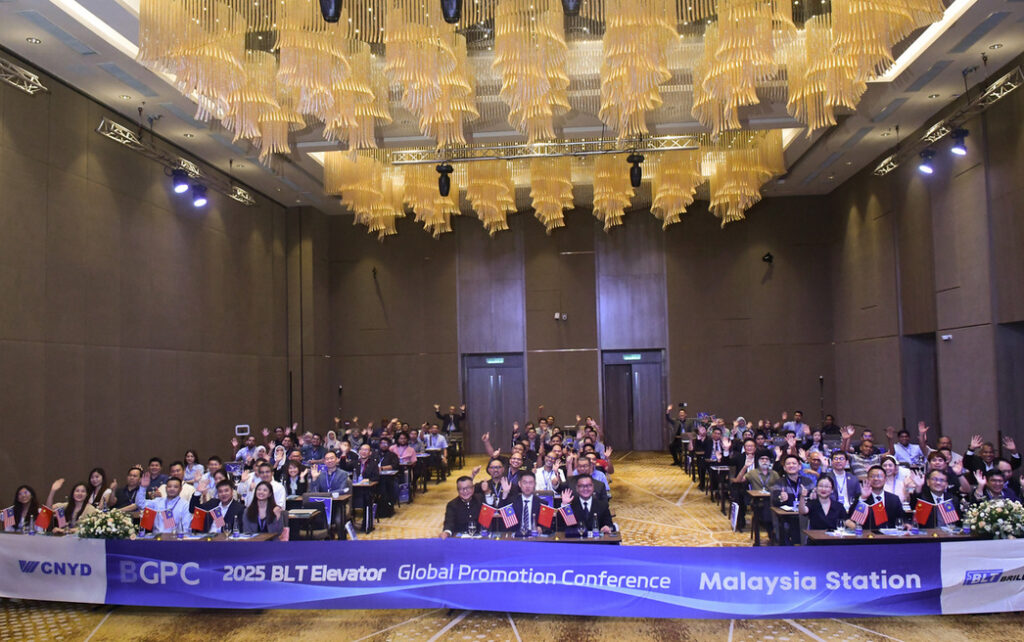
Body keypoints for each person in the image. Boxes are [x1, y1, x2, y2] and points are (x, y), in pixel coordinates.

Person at [771, 455, 814, 545]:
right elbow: (774, 501)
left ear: (799, 466)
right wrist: (781, 498)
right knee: (785, 527)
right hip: (787, 517)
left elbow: (812, 500)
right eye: (788, 464)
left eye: (794, 463)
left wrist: (811, 496)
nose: (791, 465)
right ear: (784, 468)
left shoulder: (807, 482)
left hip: (805, 516)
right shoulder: (779, 482)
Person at [848, 465, 904, 530]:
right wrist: (863, 498)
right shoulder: (860, 497)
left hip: (890, 535)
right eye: (872, 476)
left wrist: (906, 524)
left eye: (879, 476)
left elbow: (902, 518)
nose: (876, 479)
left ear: (885, 479)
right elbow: (852, 519)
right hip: (867, 534)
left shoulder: (894, 499)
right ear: (867, 479)